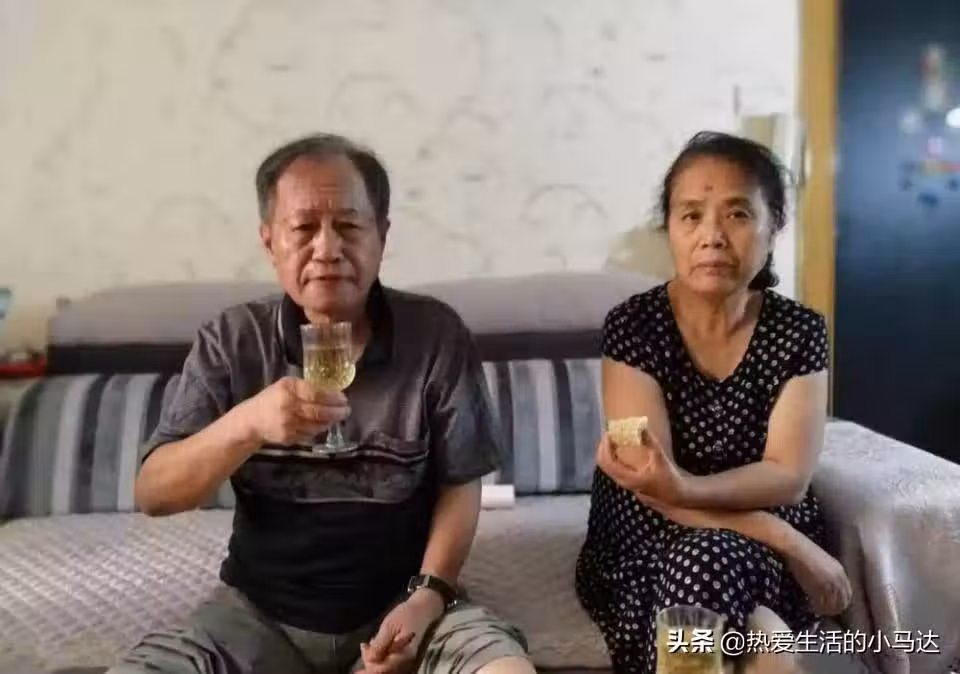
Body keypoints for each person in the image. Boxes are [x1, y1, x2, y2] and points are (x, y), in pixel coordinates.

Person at [108, 133, 534, 674]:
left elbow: (461, 482)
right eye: (304, 228)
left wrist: (428, 595)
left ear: (382, 235)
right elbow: (154, 494)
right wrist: (247, 424)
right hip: (255, 616)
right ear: (270, 241)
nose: (327, 249)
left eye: (349, 227)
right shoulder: (231, 340)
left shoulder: (436, 333)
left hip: (404, 606)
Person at [575, 131, 853, 674]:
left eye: (737, 215)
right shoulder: (634, 325)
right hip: (651, 539)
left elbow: (787, 477)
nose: (712, 237)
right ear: (670, 230)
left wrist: (687, 487)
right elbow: (649, 483)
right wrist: (786, 538)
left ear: (773, 227)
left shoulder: (799, 330)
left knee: (727, 591)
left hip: (754, 552)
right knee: (736, 604)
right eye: (691, 216)